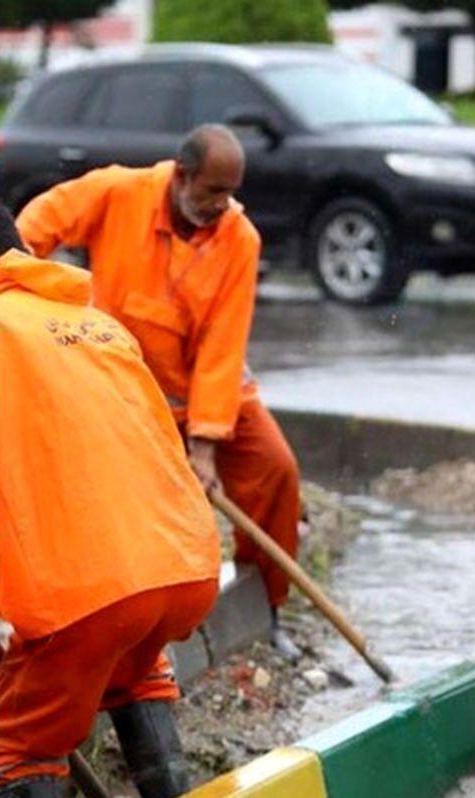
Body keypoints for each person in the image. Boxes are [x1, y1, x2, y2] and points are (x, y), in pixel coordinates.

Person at [0, 198, 222, 798]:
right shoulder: (99, 327)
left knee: (17, 749)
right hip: (183, 569)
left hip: (88, 591)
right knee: (134, 671)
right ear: (22, 254)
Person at [17, 124, 303, 659]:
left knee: (276, 470)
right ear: (182, 174)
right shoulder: (118, 192)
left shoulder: (239, 238)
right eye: (213, 190)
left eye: (231, 192)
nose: (223, 204)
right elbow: (33, 227)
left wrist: (204, 445)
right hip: (123, 393)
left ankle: (268, 609)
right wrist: (25, 297)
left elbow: (222, 347)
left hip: (208, 395)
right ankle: (117, 622)